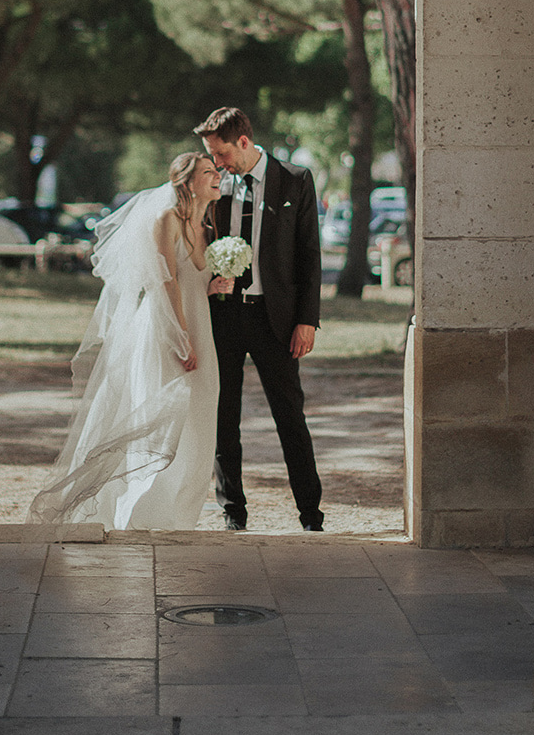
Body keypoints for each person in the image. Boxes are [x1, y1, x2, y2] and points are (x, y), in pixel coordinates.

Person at [28, 153, 233, 531]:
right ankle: (142, 511)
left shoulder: (207, 227)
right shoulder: (165, 219)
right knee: (156, 417)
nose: (217, 176)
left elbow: (192, 285)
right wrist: (179, 335)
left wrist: (215, 285)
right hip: (165, 329)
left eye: (216, 171)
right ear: (187, 183)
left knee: (202, 417)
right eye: (208, 172)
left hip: (201, 329)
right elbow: (165, 281)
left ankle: (180, 513)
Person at [194, 106, 325, 532]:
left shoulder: (295, 179)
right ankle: (233, 511)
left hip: (277, 321)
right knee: (223, 417)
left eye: (221, 153)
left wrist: (307, 320)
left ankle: (310, 514)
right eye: (211, 156)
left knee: (290, 416)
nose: (216, 163)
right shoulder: (215, 184)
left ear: (244, 143)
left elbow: (309, 255)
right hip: (224, 318)